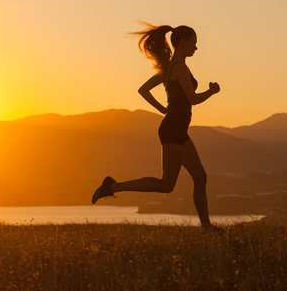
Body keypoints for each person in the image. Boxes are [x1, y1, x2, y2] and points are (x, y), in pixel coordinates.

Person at [91, 23, 221, 229]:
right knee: (166, 185)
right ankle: (111, 186)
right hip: (173, 130)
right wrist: (211, 91)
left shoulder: (170, 67)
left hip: (177, 129)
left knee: (200, 177)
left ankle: (207, 229)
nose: (196, 48)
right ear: (183, 42)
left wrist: (163, 109)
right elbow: (193, 99)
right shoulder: (177, 68)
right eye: (194, 43)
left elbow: (143, 90)